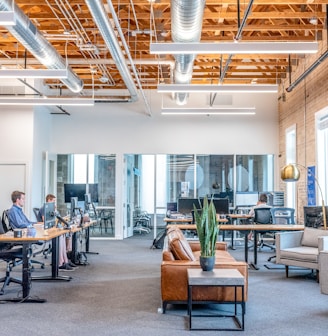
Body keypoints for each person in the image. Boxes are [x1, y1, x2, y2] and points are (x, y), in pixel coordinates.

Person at [39, 194, 77, 271]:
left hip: (53, 228)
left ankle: (65, 260)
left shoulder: (52, 209)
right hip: (46, 231)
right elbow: (45, 221)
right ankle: (60, 262)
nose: (54, 203)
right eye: (53, 201)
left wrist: (56, 212)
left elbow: (58, 219)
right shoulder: (44, 208)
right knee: (60, 236)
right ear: (49, 200)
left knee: (65, 234)